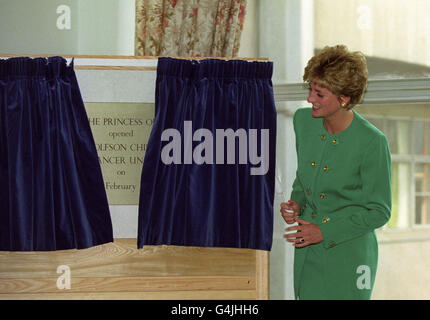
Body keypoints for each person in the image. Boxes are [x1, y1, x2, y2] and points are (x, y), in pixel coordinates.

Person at [280, 45, 392, 300]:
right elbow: (304, 177)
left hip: (350, 256)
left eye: (319, 93)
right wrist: (296, 203)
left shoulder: (372, 142)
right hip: (307, 251)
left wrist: (324, 231)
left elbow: (380, 211)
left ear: (344, 98)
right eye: (310, 89)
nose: (310, 99)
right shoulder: (303, 122)